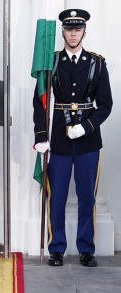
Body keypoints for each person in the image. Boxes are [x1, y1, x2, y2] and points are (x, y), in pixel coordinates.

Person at [33, 9, 112, 267]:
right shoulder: (52, 61)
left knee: (86, 196)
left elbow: (105, 105)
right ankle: (56, 248)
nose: (73, 33)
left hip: (88, 141)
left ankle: (86, 249)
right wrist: (41, 135)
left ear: (84, 32)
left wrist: (86, 127)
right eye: (69, 29)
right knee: (56, 196)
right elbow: (40, 102)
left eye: (78, 29)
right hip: (58, 139)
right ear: (63, 33)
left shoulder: (97, 63)